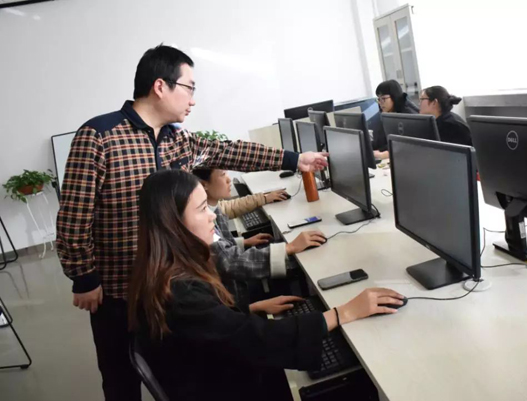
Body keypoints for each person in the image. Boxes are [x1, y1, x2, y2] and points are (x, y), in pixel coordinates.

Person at [56, 44, 328, 401]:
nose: (193, 100)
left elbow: (229, 151)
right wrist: (84, 277)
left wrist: (294, 159)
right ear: (160, 86)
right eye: (189, 88)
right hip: (118, 289)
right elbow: (73, 218)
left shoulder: (177, 140)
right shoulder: (99, 136)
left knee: (175, 367)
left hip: (170, 285)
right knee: (120, 378)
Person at [128, 169, 406, 401]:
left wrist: (251, 308)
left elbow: (209, 328)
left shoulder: (166, 269)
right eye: (202, 209)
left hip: (209, 375)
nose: (213, 215)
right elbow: (257, 341)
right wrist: (342, 313)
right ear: (173, 223)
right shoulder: (181, 292)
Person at [193, 168, 327, 305]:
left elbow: (220, 247)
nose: (229, 179)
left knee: (285, 253)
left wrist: (243, 242)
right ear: (204, 185)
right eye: (223, 175)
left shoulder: (212, 209)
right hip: (234, 299)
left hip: (235, 297)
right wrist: (289, 247)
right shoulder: (203, 221)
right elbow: (230, 262)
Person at [372, 80, 419, 160]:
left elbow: (406, 145)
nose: (380, 103)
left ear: (394, 97)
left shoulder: (408, 115)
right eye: (378, 99)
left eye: (383, 98)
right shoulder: (386, 114)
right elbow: (379, 141)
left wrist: (383, 153)